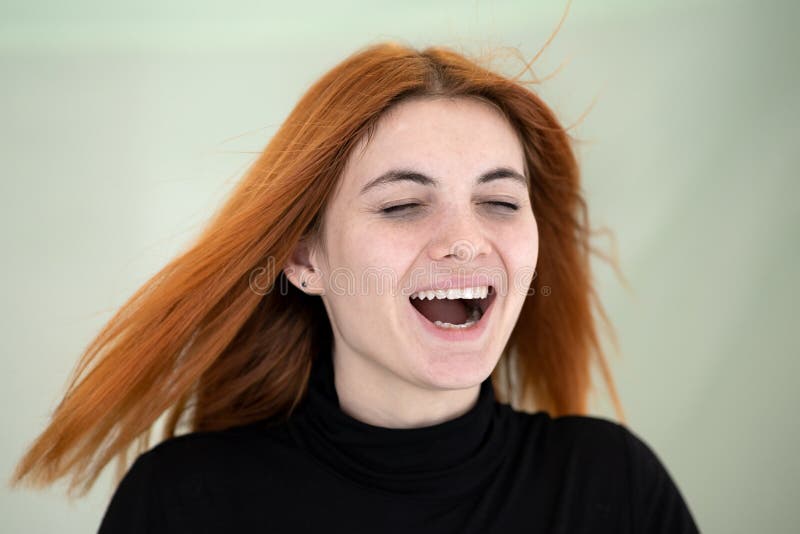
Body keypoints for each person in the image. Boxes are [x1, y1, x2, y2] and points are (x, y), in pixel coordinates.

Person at [10, 41, 700, 533]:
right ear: (302, 258)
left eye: (499, 201)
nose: (465, 240)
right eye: (402, 204)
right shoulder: (182, 500)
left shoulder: (614, 487)